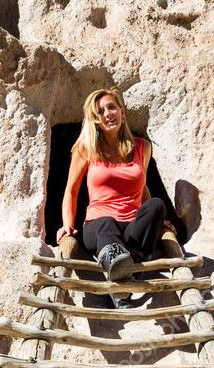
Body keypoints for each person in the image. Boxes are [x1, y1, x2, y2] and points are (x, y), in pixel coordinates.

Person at [57, 87, 175, 308]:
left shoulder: (143, 147)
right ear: (95, 120)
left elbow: (142, 187)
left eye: (111, 107)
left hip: (132, 226)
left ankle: (123, 269)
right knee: (106, 223)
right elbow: (71, 190)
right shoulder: (87, 148)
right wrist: (67, 225)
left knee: (157, 204)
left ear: (122, 111)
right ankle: (119, 271)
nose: (107, 113)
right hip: (98, 225)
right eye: (100, 111)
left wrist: (156, 219)